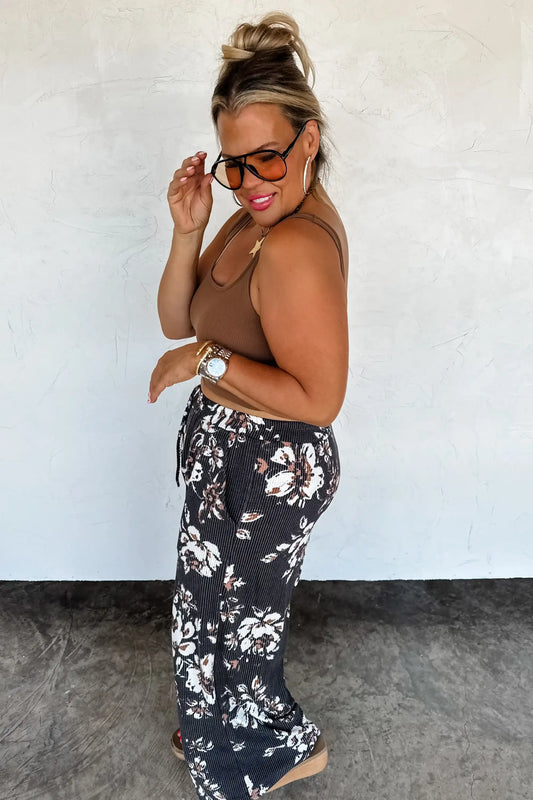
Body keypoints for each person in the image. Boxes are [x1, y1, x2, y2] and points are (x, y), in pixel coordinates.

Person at [148, 11, 349, 799]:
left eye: (267, 156)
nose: (250, 178)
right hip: (231, 455)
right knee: (210, 623)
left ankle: (273, 752)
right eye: (233, 163)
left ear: (308, 138)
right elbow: (178, 319)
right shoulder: (253, 213)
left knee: (237, 636)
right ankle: (228, 734)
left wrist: (207, 360)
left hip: (269, 465)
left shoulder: (295, 244)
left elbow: (319, 401)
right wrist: (187, 231)